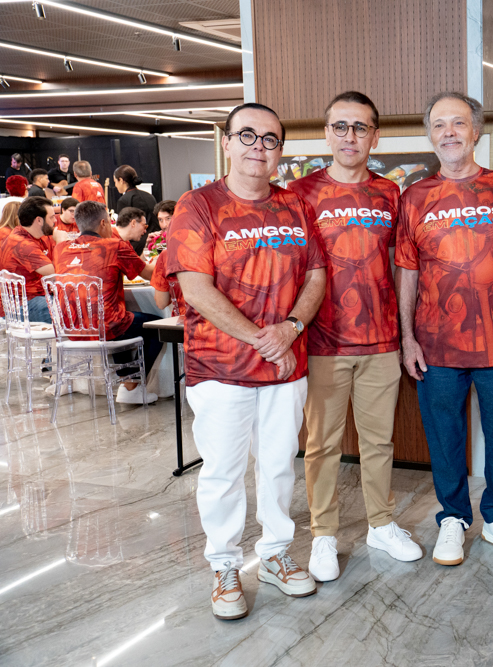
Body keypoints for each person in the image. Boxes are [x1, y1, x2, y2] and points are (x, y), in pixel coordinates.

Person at [164, 102, 327, 620]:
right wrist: (261, 336)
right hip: (220, 367)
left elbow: (317, 276)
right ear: (227, 142)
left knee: (279, 467)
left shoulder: (296, 205)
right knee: (224, 473)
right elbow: (194, 285)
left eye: (271, 139)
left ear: (280, 151)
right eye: (248, 136)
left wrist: (291, 328)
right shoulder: (199, 205)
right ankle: (224, 566)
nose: (259, 147)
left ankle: (277, 555)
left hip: (285, 365)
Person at [396, 91, 493, 567]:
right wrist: (406, 336)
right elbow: (407, 270)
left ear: (476, 131)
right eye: (439, 125)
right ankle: (453, 518)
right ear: (430, 135)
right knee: (444, 435)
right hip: (435, 342)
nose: (449, 133)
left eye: (458, 124)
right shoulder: (414, 196)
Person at [287, 90, 421, 581]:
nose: (350, 136)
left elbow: (406, 266)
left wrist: (408, 335)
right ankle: (324, 535)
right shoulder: (300, 195)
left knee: (378, 441)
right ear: (326, 134)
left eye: (360, 127)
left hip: (382, 339)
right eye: (340, 126)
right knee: (321, 444)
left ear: (375, 136)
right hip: (322, 341)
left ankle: (380, 525)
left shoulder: (391, 194)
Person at [52, 201, 160, 404]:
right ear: (103, 223)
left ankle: (129, 386)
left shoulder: (60, 250)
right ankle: (132, 386)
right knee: (154, 327)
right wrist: (162, 260)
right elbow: (148, 274)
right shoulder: (114, 246)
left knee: (124, 319)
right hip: (105, 326)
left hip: (71, 327)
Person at [0, 197, 56, 323]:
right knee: (70, 310)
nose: (55, 220)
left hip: (30, 297)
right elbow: (56, 272)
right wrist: (63, 243)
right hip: (21, 304)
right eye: (52, 217)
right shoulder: (22, 243)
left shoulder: (26, 234)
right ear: (39, 220)